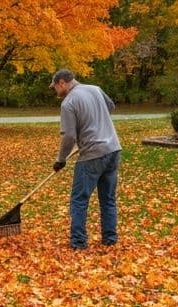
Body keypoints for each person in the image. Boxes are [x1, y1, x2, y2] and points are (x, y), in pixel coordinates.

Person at [49, 70, 122, 250]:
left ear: (62, 83)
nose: (56, 92)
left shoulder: (68, 103)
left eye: (55, 88)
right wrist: (96, 122)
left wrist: (61, 159)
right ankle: (110, 240)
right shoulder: (95, 89)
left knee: (79, 200)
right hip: (113, 149)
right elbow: (110, 106)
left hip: (92, 155)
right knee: (108, 199)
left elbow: (69, 137)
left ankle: (79, 243)